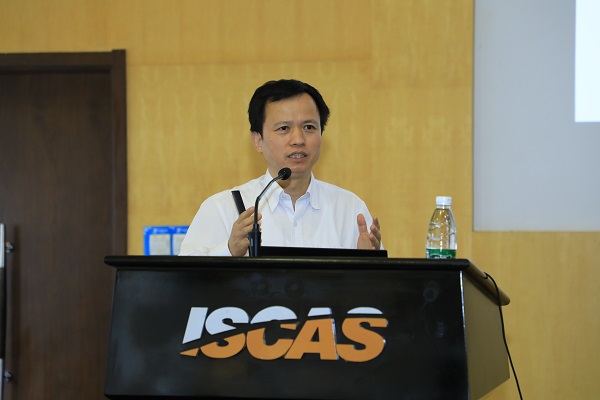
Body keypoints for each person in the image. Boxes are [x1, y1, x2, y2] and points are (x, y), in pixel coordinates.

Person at [179, 79, 382, 256]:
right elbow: (185, 281)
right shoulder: (223, 209)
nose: (298, 139)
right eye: (284, 128)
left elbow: (379, 286)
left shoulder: (350, 210)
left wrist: (369, 266)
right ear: (258, 140)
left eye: (309, 127)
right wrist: (229, 250)